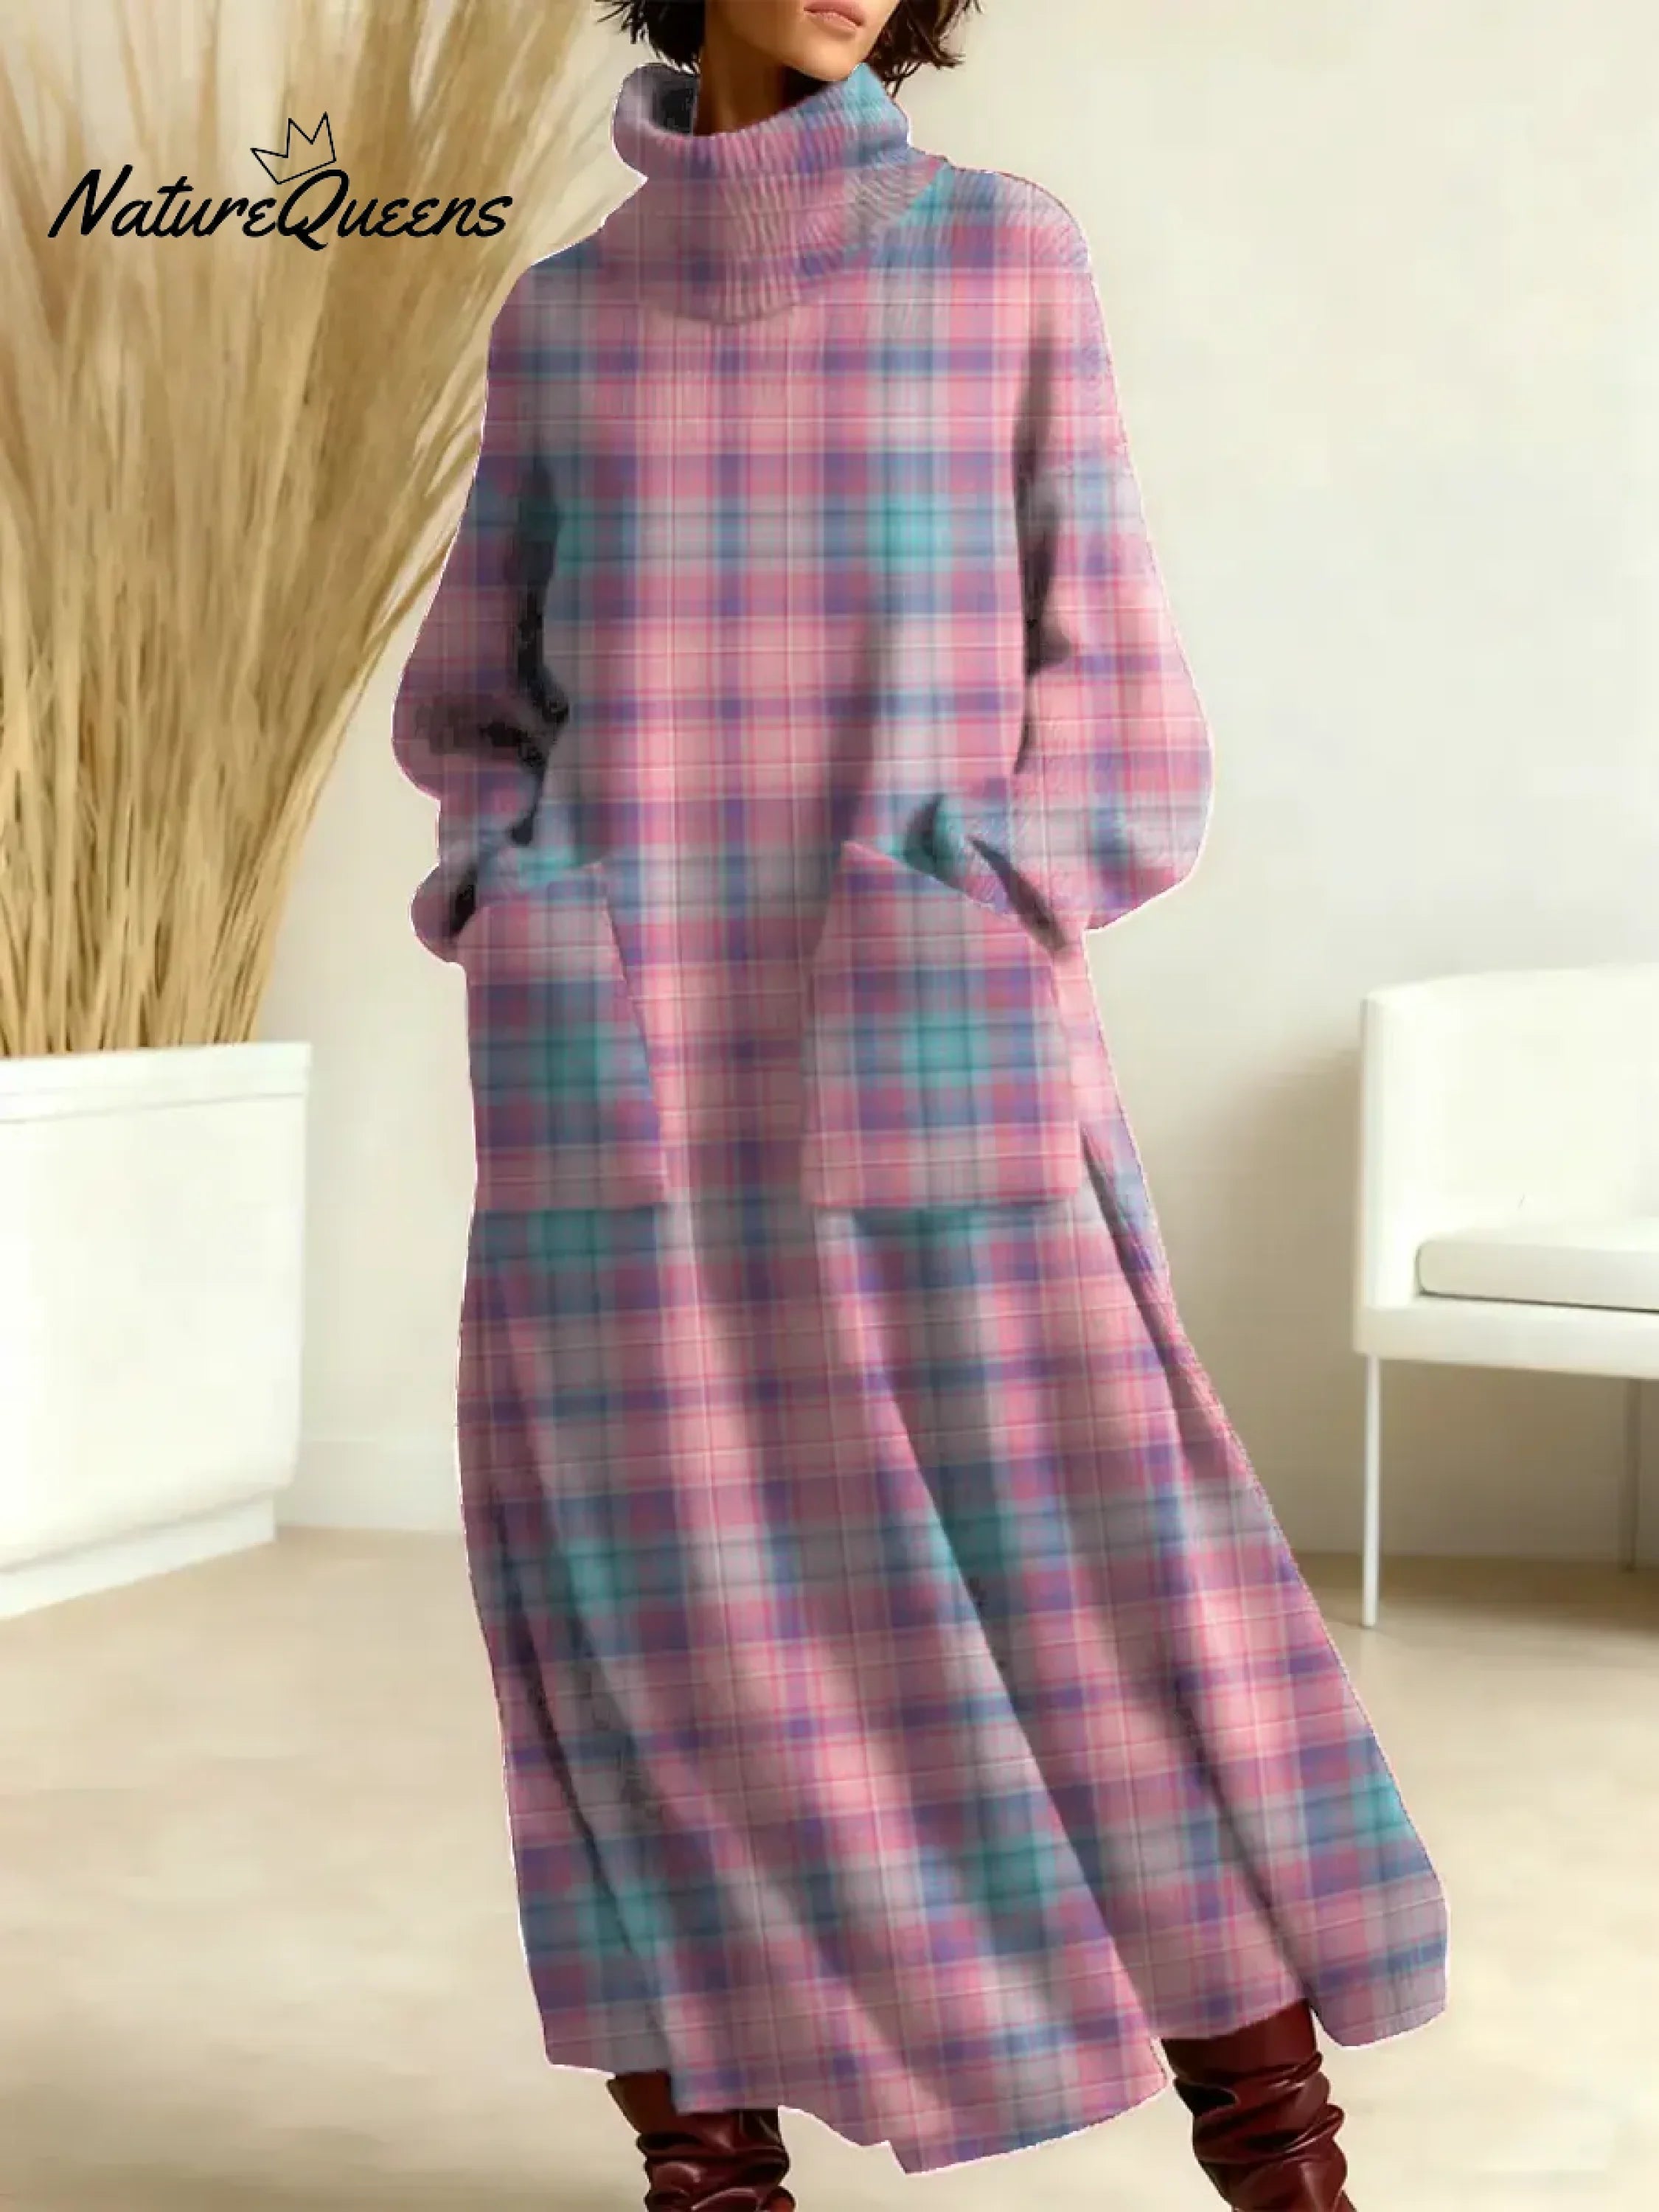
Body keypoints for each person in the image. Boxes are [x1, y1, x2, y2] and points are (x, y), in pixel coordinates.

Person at [390, 1, 1449, 2205]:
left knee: (1107, 1612)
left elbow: (1120, 691)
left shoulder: (1000, 256)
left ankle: (1284, 2166)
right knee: (657, 1634)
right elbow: (476, 706)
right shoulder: (564, 321)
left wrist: (974, 909)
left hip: (931, 1041)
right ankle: (712, 2176)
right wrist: (522, 900)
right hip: (619, 1090)